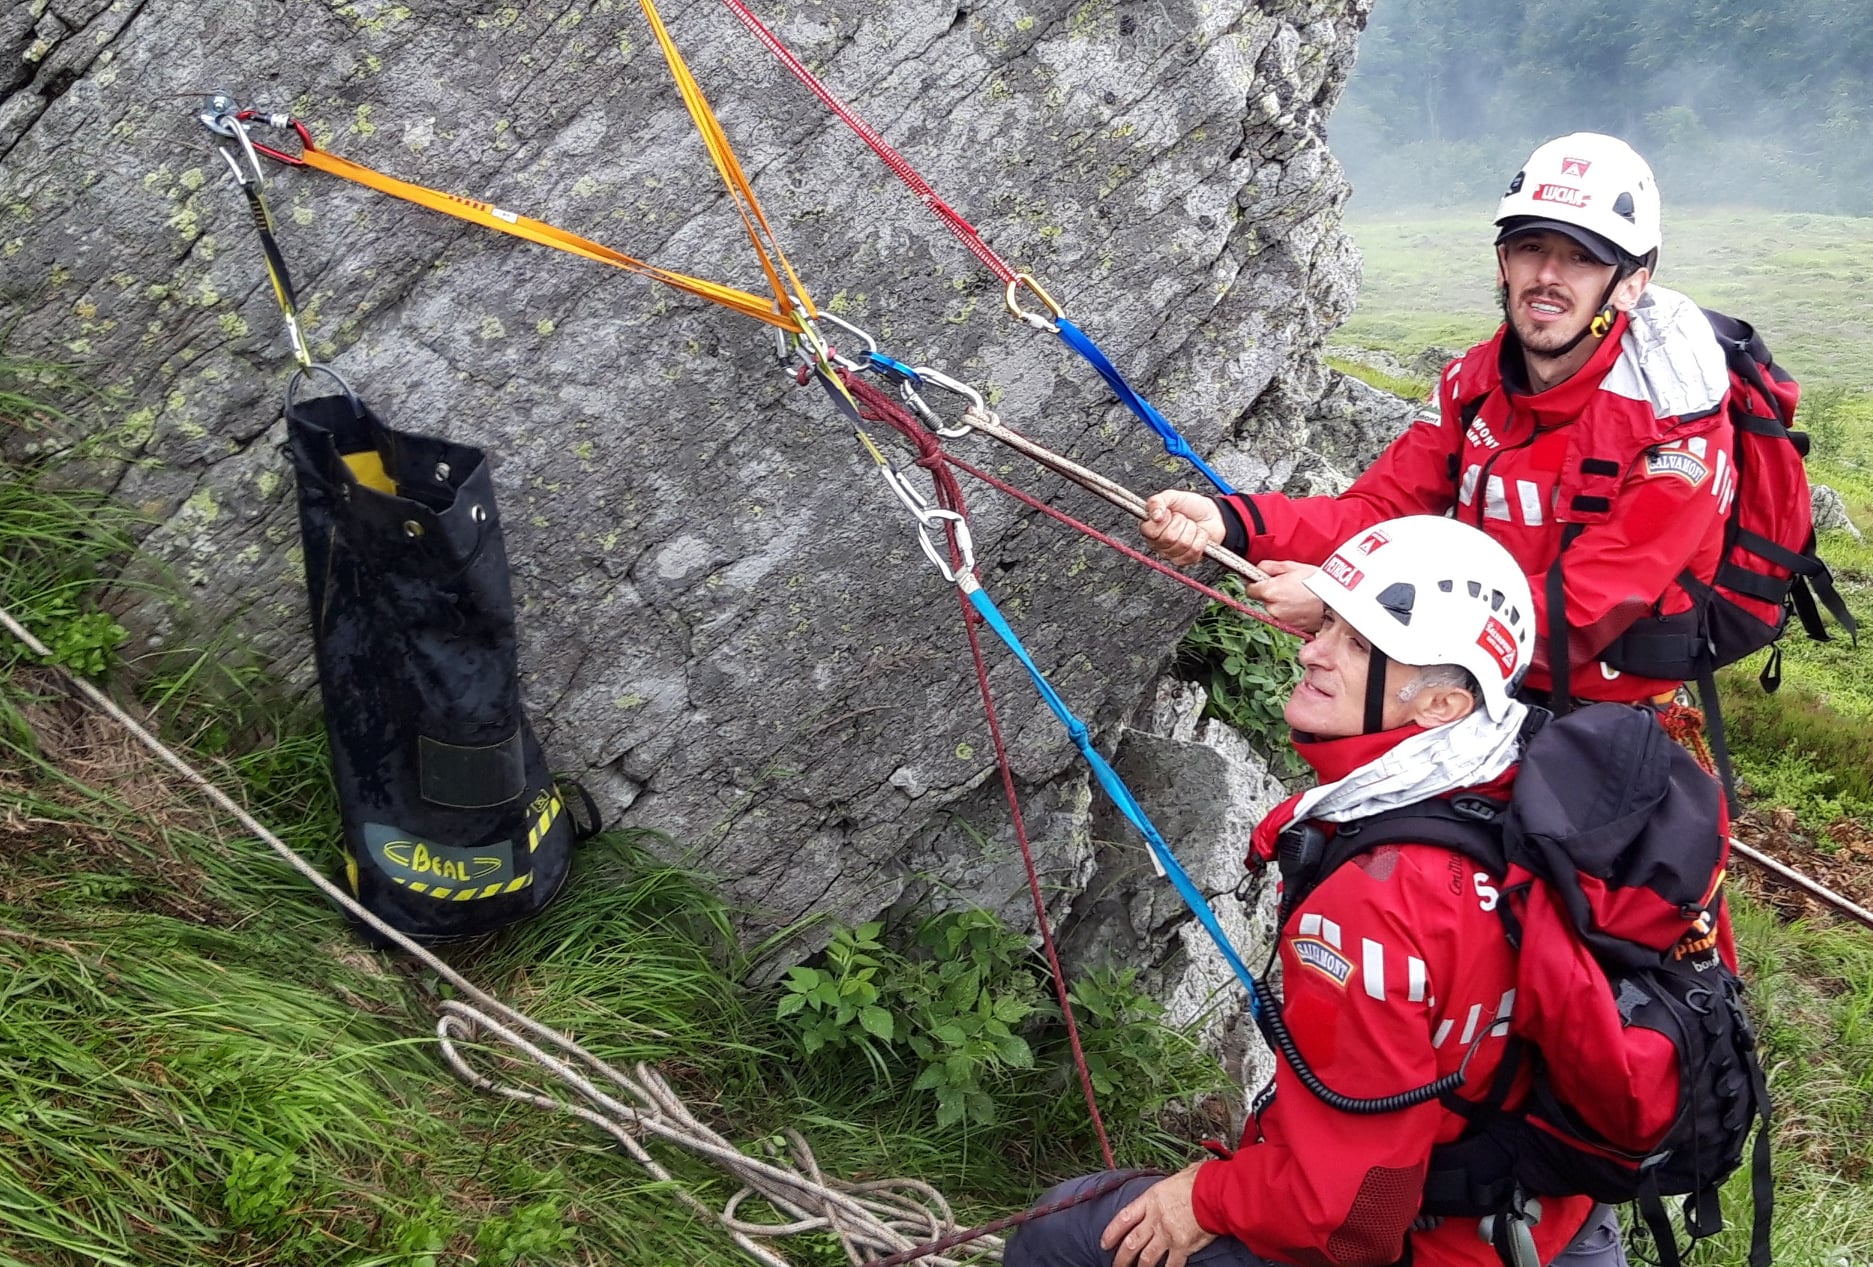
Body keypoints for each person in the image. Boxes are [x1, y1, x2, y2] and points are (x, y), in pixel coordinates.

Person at [1004, 516, 1626, 1267]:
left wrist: (1204, 1198)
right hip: (1556, 1214)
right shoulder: (1531, 786)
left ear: (1440, 704)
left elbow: (1352, 1216)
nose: (1311, 651)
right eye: (1328, 622)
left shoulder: (1378, 900)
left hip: (1444, 1239)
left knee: (1063, 1234)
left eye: (1359, 644)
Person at [1143, 132, 1734, 710]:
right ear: (1503, 263)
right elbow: (1379, 515)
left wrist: (1342, 605)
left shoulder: (1677, 430)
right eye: (1532, 247)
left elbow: (1580, 614)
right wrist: (1232, 521)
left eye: (1582, 258)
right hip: (1468, 673)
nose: (1548, 276)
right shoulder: (1473, 385)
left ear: (1629, 284)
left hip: (1599, 713)